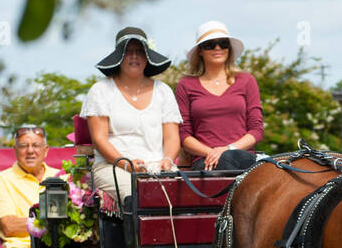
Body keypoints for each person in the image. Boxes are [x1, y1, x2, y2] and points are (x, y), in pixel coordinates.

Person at [81, 26, 182, 205]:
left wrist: (167, 159)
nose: (134, 56)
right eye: (127, 51)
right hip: (112, 166)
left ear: (147, 56)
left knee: (183, 198)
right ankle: (136, 234)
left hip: (157, 166)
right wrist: (125, 163)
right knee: (138, 195)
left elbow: (172, 137)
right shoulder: (101, 90)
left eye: (139, 51)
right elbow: (99, 139)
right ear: (118, 56)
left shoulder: (163, 91)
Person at [174, 21, 263, 171]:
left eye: (223, 43)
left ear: (229, 48)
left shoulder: (247, 81)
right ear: (200, 51)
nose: (217, 48)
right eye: (210, 44)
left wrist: (227, 149)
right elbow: (183, 135)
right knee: (223, 162)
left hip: (243, 158)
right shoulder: (186, 85)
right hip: (205, 160)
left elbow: (256, 130)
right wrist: (211, 152)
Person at [0, 126, 62, 248]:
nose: (30, 151)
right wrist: (54, 224)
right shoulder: (2, 180)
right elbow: (9, 226)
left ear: (45, 151)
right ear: (15, 151)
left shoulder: (60, 176)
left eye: (36, 145)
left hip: (63, 244)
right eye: (23, 146)